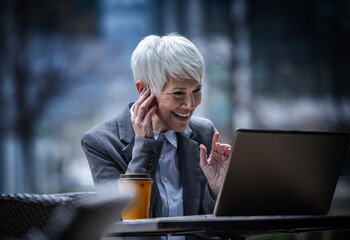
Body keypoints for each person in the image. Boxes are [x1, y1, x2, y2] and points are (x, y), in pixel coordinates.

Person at [81, 34, 231, 218]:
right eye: (178, 93)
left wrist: (216, 189)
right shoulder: (101, 143)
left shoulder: (205, 133)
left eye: (197, 90)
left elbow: (220, 229)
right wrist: (144, 146)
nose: (190, 104)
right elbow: (122, 219)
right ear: (144, 90)